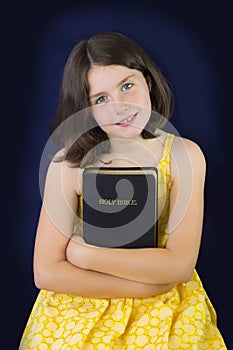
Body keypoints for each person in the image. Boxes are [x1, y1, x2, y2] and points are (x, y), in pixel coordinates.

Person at [19, 31, 227, 349]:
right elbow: (46, 272)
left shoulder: (184, 156)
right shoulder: (69, 163)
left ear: (148, 81)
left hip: (165, 308)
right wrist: (145, 285)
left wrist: (84, 254)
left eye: (127, 86)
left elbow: (180, 265)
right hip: (83, 303)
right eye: (101, 99)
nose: (120, 106)